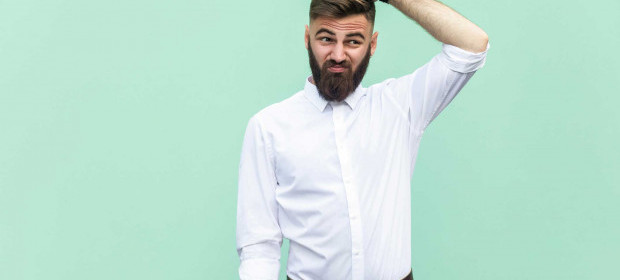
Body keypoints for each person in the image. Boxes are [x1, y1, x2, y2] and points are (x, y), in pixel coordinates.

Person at [236, 0, 489, 279]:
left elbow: (473, 45)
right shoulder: (268, 127)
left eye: (354, 41)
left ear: (373, 44)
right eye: (326, 39)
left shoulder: (401, 106)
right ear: (307, 39)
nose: (338, 54)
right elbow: (259, 246)